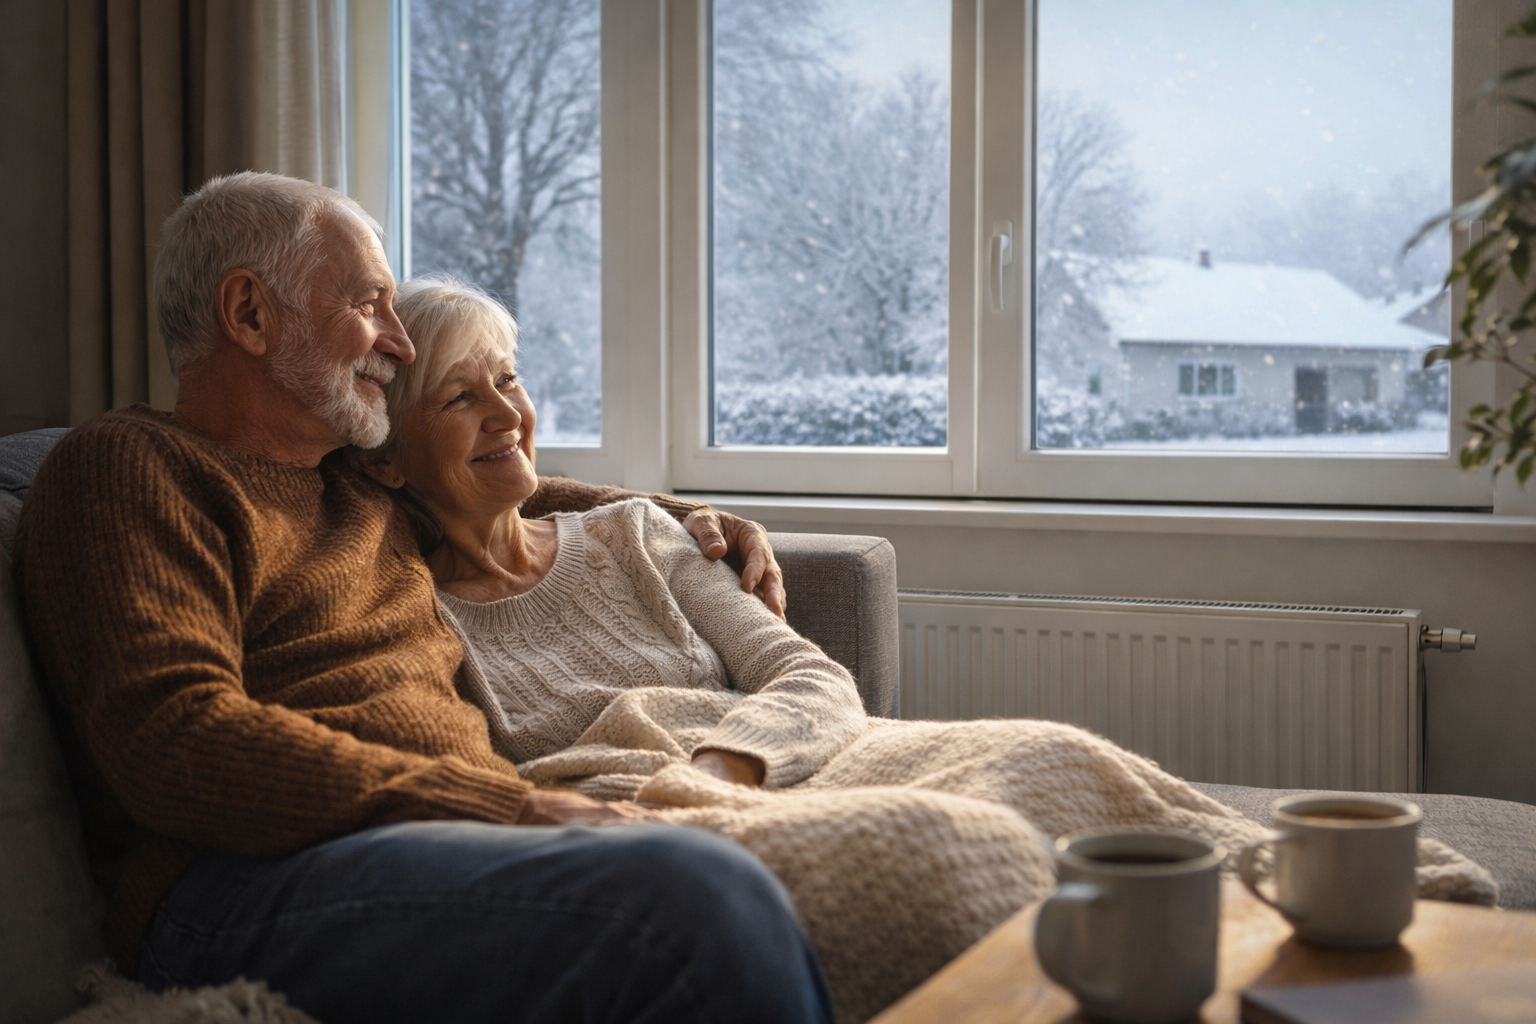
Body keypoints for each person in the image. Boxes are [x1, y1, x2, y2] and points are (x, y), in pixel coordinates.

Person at [358, 277, 1502, 1023]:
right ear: (393, 456)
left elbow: (808, 674)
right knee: (944, 842)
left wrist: (732, 758)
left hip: (781, 760)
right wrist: (680, 792)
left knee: (1050, 753)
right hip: (638, 820)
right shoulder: (402, 610)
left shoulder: (635, 531)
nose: (506, 410)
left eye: (508, 376)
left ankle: (1306, 900)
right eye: (462, 397)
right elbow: (476, 782)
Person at [12, 172, 834, 1024]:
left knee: (732, 870)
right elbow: (173, 738)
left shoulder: (356, 481)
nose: (399, 343)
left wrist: (690, 518)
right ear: (250, 314)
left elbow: (504, 478)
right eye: (370, 303)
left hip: (443, 845)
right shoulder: (129, 467)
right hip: (243, 880)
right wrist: (511, 806)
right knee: (693, 897)